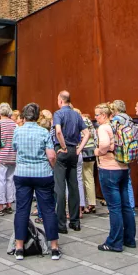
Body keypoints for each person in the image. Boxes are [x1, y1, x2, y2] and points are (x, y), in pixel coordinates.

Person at [12, 103, 61, 260]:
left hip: (22, 173)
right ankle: (54, 247)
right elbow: (52, 155)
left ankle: (19, 247)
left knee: (21, 210)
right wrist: (52, 168)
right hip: (42, 174)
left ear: (24, 116)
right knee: (48, 210)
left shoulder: (18, 131)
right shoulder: (44, 132)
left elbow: (15, 148)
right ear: (38, 116)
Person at [94, 103, 136, 252]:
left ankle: (114, 242)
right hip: (123, 168)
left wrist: (98, 151)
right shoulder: (116, 125)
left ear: (104, 115)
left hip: (109, 169)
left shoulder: (103, 127)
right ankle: (129, 238)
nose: (96, 118)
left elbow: (105, 143)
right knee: (126, 205)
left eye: (97, 115)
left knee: (114, 207)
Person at [52, 91, 90, 234]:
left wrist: (62, 147)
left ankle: (61, 224)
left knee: (60, 188)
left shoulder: (58, 114)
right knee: (74, 186)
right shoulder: (76, 114)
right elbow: (87, 133)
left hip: (62, 151)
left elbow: (58, 132)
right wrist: (79, 149)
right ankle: (75, 222)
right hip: (74, 151)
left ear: (61, 101)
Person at [111, 100, 137, 210]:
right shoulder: (129, 118)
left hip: (120, 152)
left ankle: (122, 206)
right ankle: (131, 206)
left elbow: (112, 134)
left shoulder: (117, 120)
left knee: (117, 181)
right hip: (129, 151)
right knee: (128, 180)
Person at [0, 103, 17, 214]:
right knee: (10, 179)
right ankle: (9, 203)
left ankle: (0, 204)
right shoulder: (15, 125)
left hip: (1, 155)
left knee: (0, 179)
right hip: (13, 155)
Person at [81, 112, 97, 214]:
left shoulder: (80, 122)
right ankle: (92, 203)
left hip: (84, 152)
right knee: (90, 178)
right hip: (92, 151)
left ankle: (86, 204)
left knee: (83, 179)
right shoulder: (89, 122)